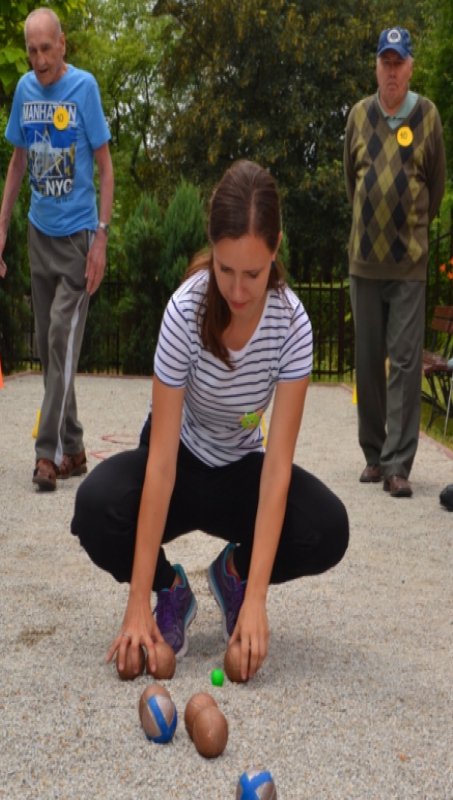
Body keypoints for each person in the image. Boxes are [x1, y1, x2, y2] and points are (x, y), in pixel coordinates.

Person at [71, 161, 349, 680]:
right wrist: (136, 602)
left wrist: (257, 600)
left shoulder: (293, 326)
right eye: (225, 270)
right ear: (211, 249)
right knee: (94, 509)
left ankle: (233, 574)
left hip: (242, 471)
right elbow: (159, 463)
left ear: (276, 248)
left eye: (253, 273)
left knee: (328, 529)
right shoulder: (184, 312)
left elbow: (276, 470)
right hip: (177, 464)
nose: (238, 291)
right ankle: (170, 589)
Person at [0, 7, 114, 491]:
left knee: (60, 335)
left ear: (63, 44)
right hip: (38, 235)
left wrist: (101, 236)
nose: (40, 59)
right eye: (32, 51)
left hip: (80, 239)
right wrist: (2, 229)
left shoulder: (84, 89)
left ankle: (48, 454)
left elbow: (105, 169)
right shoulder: (25, 91)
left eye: (47, 48)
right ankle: (77, 446)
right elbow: (18, 161)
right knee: (49, 348)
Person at [344, 26, 446, 498]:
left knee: (404, 363)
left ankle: (398, 465)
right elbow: (352, 181)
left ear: (410, 67)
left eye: (398, 62)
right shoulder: (358, 116)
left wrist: (413, 231)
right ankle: (373, 454)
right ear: (377, 67)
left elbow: (438, 186)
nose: (391, 70)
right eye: (385, 61)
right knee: (368, 363)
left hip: (409, 265)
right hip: (365, 262)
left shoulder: (428, 116)